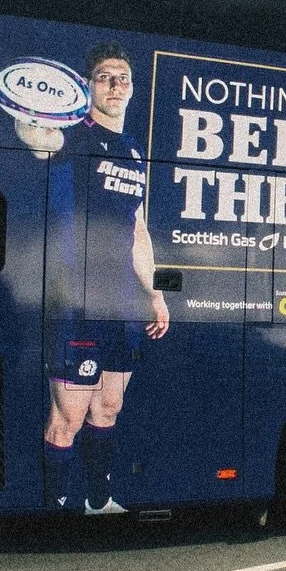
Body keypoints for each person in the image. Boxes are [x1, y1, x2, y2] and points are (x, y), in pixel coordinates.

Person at [44, 42, 169, 515]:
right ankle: (53, 506)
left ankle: (99, 500)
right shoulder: (74, 136)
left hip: (123, 303)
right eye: (104, 77)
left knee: (108, 407)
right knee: (69, 415)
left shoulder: (134, 152)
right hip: (78, 299)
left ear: (132, 89)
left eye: (123, 78)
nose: (115, 85)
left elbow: (137, 228)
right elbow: (42, 143)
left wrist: (155, 296)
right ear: (88, 85)